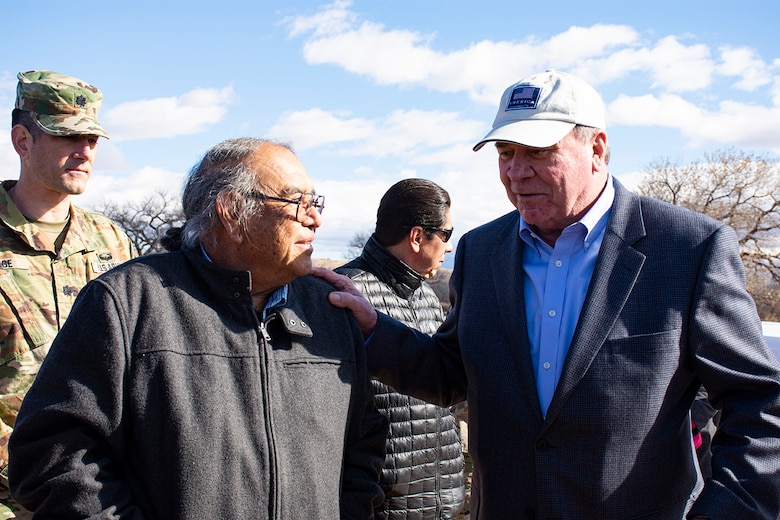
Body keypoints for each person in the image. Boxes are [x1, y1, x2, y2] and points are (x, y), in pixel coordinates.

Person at [315, 70, 780, 519]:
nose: (517, 171)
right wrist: (372, 328)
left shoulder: (688, 248)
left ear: (597, 148)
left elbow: (759, 405)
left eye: (537, 151)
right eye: (505, 151)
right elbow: (454, 371)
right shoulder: (482, 250)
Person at [7, 137, 388, 518]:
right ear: (232, 212)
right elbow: (53, 453)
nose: (314, 218)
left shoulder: (330, 310)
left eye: (315, 201)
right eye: (297, 202)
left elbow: (362, 446)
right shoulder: (126, 302)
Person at [0, 70, 136, 518]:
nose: (85, 152)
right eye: (68, 137)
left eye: (93, 140)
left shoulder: (113, 242)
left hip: (102, 497)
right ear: (22, 140)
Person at [335, 178, 465, 519]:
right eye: (447, 235)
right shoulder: (343, 297)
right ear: (418, 237)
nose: (449, 247)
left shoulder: (426, 295)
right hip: (382, 507)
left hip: (441, 506)